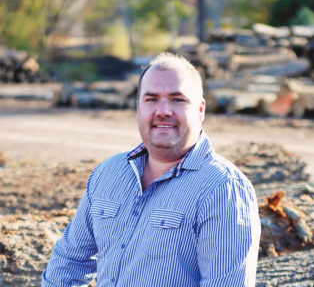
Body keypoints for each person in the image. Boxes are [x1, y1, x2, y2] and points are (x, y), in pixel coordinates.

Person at [42, 52, 261, 287]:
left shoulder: (224, 189)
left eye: (177, 99)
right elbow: (69, 262)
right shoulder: (108, 173)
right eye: (152, 99)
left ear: (200, 109)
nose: (163, 110)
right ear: (138, 109)